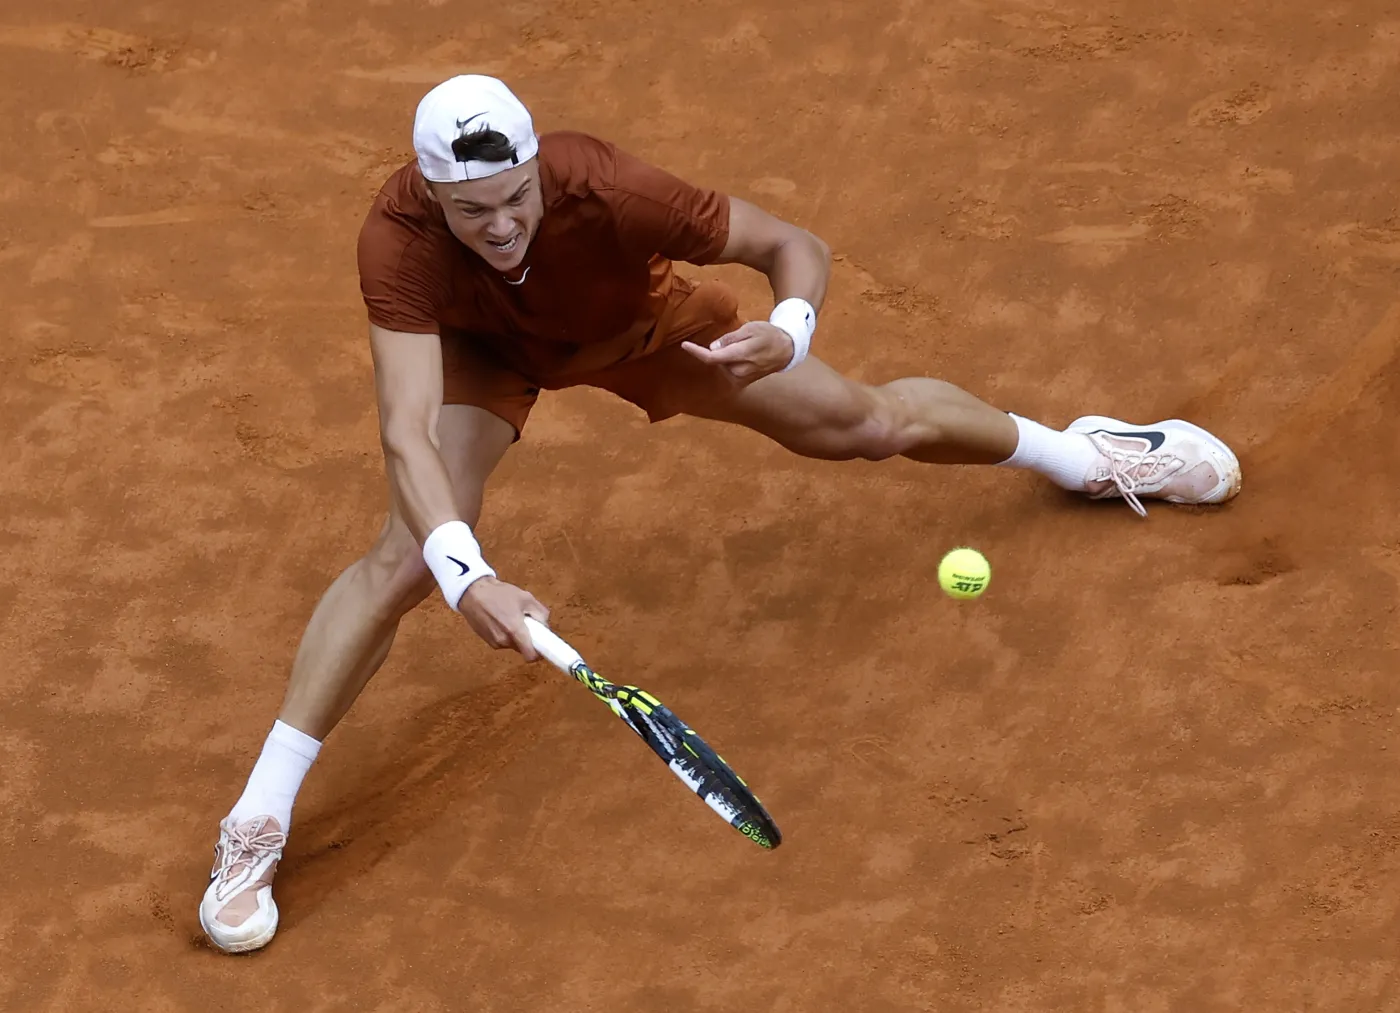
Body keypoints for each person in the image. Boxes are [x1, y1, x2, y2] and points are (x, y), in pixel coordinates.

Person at [198, 74, 1241, 953]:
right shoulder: (397, 240)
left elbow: (792, 244)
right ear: (434, 196)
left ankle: (1084, 455)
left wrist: (790, 328)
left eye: (516, 198)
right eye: (473, 212)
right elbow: (406, 431)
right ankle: (257, 819)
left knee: (864, 423)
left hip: (639, 327)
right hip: (485, 356)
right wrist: (469, 574)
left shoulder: (605, 187)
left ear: (539, 172)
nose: (502, 224)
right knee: (406, 559)